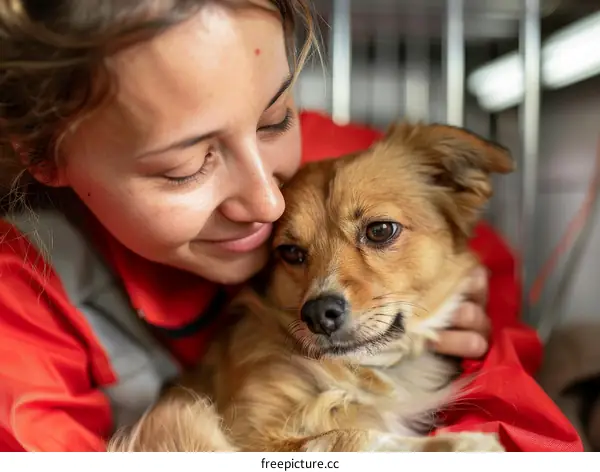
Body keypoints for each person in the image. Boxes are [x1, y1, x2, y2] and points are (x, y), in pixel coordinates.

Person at [0, 0, 582, 453]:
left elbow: (518, 421)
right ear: (44, 156)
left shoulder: (352, 165)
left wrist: (480, 323)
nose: (267, 200)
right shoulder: (19, 297)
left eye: (276, 119)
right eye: (183, 167)